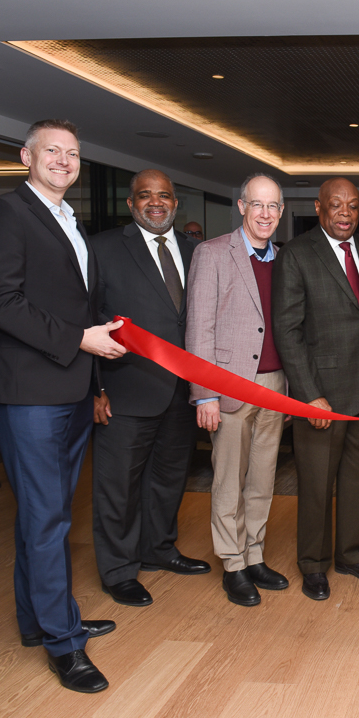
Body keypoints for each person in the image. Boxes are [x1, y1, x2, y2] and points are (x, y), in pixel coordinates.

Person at [0, 120, 120, 693]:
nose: (63, 160)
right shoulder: (3, 214)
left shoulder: (70, 222)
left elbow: (79, 306)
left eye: (72, 153)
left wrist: (97, 362)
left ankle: (39, 622)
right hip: (27, 391)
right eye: (51, 151)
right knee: (47, 517)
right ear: (25, 156)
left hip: (72, 388)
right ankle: (64, 642)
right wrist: (80, 339)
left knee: (44, 513)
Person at [90, 169, 210, 608]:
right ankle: (119, 571)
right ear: (130, 204)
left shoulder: (197, 251)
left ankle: (158, 549)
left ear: (176, 204)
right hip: (124, 391)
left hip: (181, 391)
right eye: (145, 196)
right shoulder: (102, 249)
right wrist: (93, 388)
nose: (155, 203)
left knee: (168, 477)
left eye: (164, 196)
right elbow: (86, 320)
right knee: (117, 486)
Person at [273, 177, 359, 602]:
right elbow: (288, 330)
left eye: (353, 206)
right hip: (321, 393)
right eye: (336, 205)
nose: (345, 213)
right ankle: (314, 563)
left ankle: (353, 554)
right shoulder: (297, 254)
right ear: (320, 208)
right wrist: (307, 394)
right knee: (317, 484)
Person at [186, 173, 291, 607]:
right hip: (227, 386)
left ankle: (254, 555)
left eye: (273, 207)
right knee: (229, 481)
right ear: (242, 207)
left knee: (263, 479)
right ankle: (232, 563)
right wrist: (204, 394)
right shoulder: (211, 254)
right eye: (257, 205)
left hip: (275, 385)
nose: (265, 214)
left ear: (281, 213)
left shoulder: (286, 259)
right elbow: (199, 328)